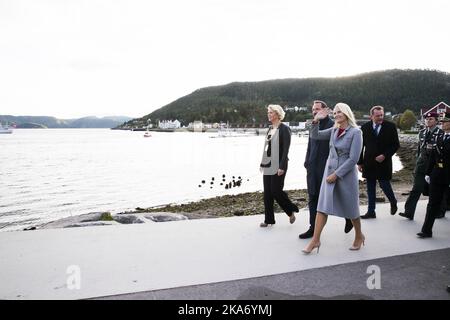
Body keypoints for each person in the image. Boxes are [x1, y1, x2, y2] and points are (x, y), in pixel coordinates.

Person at [302, 103, 364, 254]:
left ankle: (359, 235)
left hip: (345, 175)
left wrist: (336, 175)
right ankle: (315, 240)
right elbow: (315, 135)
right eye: (334, 113)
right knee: (322, 207)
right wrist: (316, 120)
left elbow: (353, 159)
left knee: (351, 209)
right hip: (328, 172)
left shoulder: (356, 132)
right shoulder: (334, 129)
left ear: (346, 113)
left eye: (339, 112)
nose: (336, 115)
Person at [399, 112, 444, 220]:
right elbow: (420, 149)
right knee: (416, 189)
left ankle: (440, 211)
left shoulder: (441, 133)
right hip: (421, 165)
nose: (428, 121)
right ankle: (409, 212)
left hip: (434, 166)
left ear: (436, 121)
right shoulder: (422, 132)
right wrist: (417, 163)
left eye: (431, 119)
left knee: (436, 190)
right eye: (427, 119)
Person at [259, 104, 299, 227]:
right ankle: (269, 220)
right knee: (267, 194)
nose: (269, 114)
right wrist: (262, 163)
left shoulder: (284, 129)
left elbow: (286, 149)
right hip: (268, 164)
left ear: (277, 114)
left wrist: (282, 166)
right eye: (268, 112)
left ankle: (290, 210)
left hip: (279, 164)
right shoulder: (270, 129)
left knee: (276, 191)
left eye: (271, 112)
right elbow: (267, 148)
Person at [358, 106, 400, 219]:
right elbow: (360, 146)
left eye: (382, 115)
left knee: (384, 184)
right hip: (369, 162)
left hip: (384, 162)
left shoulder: (390, 126)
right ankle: (371, 211)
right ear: (371, 116)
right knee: (370, 187)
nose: (380, 117)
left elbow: (396, 145)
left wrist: (385, 155)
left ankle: (393, 201)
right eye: (377, 116)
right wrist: (359, 162)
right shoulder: (365, 127)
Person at [417, 112, 450, 238]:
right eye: (441, 122)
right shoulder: (439, 137)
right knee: (432, 203)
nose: (442, 124)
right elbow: (433, 156)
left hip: (448, 175)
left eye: (445, 122)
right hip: (437, 174)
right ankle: (426, 230)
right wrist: (428, 173)